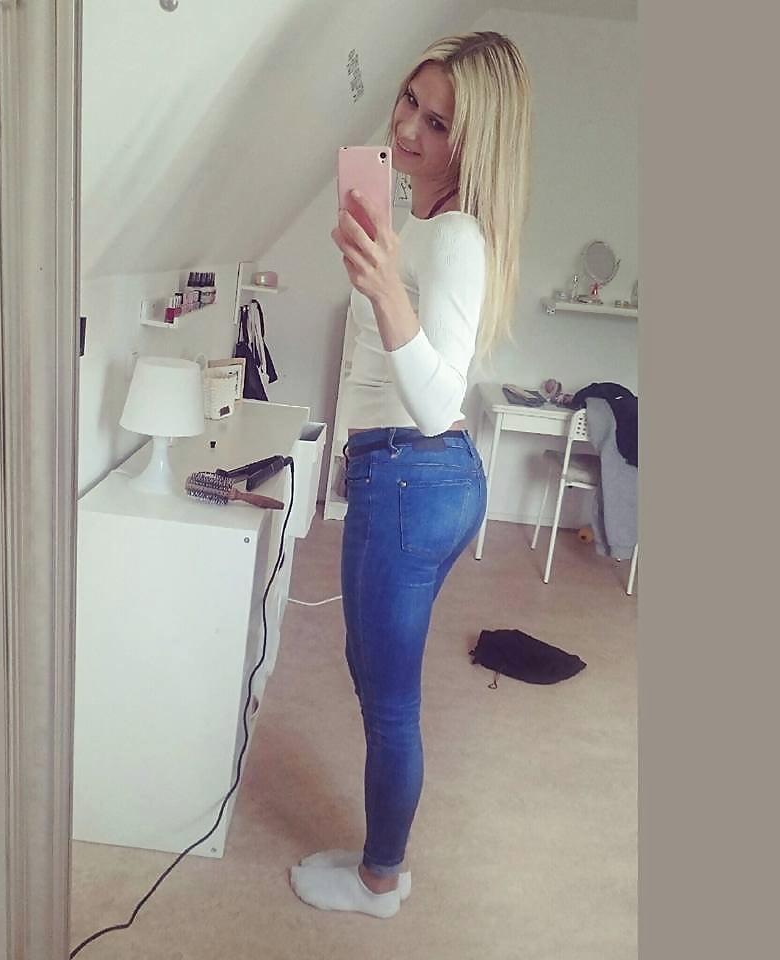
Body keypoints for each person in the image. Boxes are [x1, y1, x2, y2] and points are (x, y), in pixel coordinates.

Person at [288, 31, 532, 919]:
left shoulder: (456, 235)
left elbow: (436, 401)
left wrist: (388, 287)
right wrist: (380, 273)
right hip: (401, 475)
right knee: (368, 671)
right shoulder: (421, 225)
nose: (407, 129)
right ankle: (379, 856)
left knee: (390, 702)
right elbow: (385, 364)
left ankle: (379, 881)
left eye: (438, 123)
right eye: (409, 102)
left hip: (416, 475)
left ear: (474, 145)